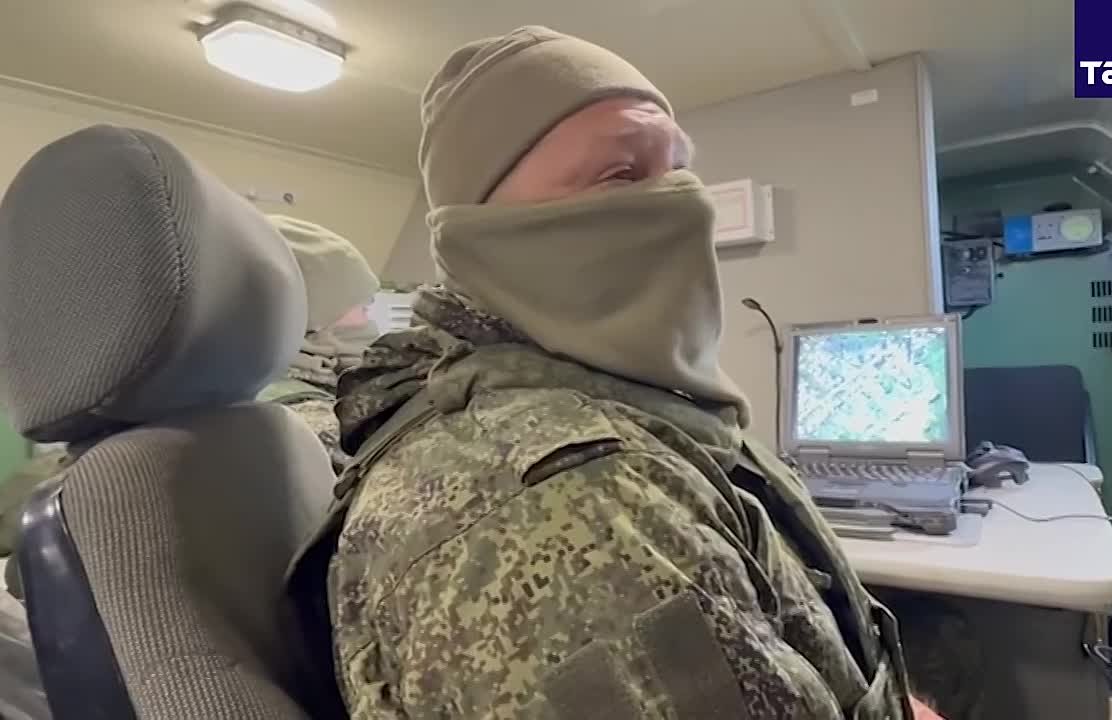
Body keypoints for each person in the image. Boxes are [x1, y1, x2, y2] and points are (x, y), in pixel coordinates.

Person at [306, 26, 945, 719]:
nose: (686, 200)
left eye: (679, 167)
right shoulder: (565, 504)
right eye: (622, 172)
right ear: (477, 228)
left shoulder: (622, 410)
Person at [0, 214, 379, 601]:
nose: (369, 321)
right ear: (305, 312)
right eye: (359, 308)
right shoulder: (309, 425)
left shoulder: (174, 393)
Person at [261, 215, 381, 473]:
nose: (367, 321)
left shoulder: (226, 385)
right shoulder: (312, 420)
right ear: (310, 315)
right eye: (362, 307)